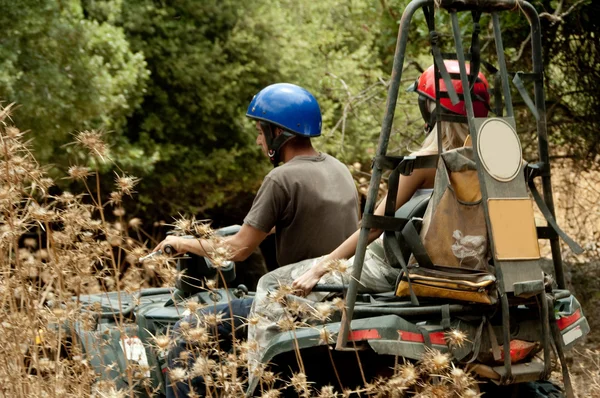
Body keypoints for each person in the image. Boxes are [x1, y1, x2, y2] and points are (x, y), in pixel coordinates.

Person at [247, 61, 491, 372]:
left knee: (272, 284)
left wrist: (321, 268)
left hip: (387, 267)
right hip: (458, 263)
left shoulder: (423, 163)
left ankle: (259, 378)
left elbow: (372, 227)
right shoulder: (487, 163)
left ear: (428, 110)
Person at [160, 83, 360, 397]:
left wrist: (184, 242)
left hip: (299, 298)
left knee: (188, 328)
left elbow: (237, 250)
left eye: (259, 130)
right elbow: (312, 219)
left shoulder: (281, 178)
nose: (257, 139)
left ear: (277, 133)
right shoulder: (339, 169)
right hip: (340, 294)